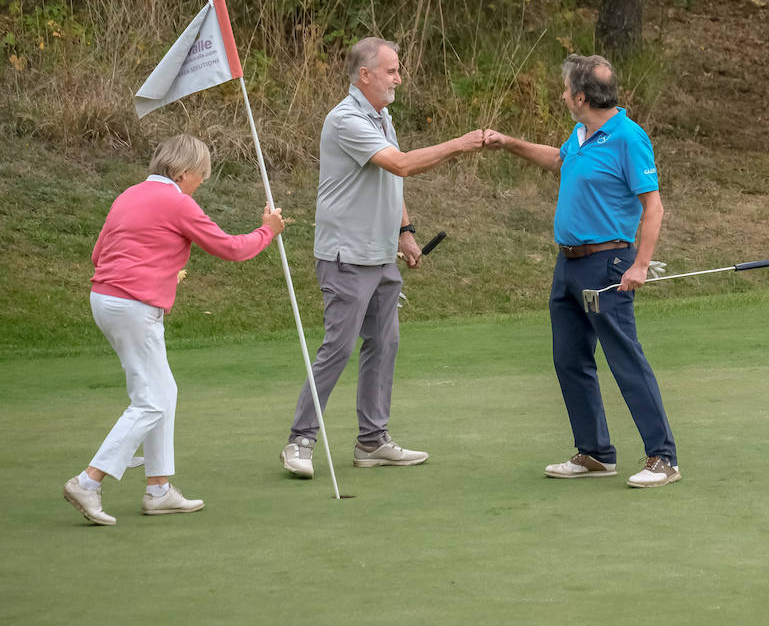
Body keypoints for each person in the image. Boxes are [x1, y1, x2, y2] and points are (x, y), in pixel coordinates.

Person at [280, 36, 484, 478]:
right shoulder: (344, 120)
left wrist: (406, 232)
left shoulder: (381, 116)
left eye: (398, 69)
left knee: (384, 344)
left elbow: (391, 183)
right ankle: (300, 439)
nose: (398, 77)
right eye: (391, 70)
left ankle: (372, 441)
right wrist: (458, 144)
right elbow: (402, 165)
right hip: (346, 256)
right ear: (364, 75)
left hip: (380, 255)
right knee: (337, 347)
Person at [63, 134, 286, 526]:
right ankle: (88, 480)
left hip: (106, 298)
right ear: (182, 172)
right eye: (200, 175)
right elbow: (232, 248)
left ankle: (159, 488)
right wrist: (268, 229)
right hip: (134, 305)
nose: (200, 182)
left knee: (162, 392)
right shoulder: (177, 202)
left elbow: (99, 254)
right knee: (150, 400)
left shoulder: (128, 195)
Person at [483, 54, 680, 488]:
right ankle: (594, 452)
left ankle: (663, 457)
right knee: (569, 359)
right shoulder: (582, 133)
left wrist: (641, 264)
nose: (561, 95)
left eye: (565, 89)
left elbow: (653, 206)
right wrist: (508, 143)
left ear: (580, 96)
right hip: (568, 264)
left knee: (624, 358)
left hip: (607, 263)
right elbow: (559, 161)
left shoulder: (628, 138)